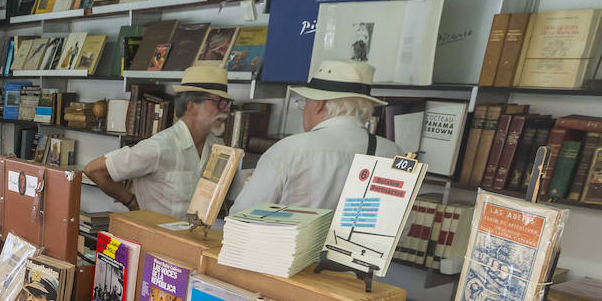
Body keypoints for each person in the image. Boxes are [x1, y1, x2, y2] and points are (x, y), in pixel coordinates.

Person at [231, 60, 400, 214]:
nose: (304, 110)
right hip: (359, 249)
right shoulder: (392, 153)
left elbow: (242, 215)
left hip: (286, 246)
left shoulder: (289, 149)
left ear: (319, 105)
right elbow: (399, 225)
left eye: (305, 103)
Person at [84, 64, 232, 217]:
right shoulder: (159, 147)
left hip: (195, 239)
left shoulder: (219, 148)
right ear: (192, 106)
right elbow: (93, 170)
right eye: (218, 101)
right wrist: (131, 202)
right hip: (156, 237)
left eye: (226, 103)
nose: (226, 109)